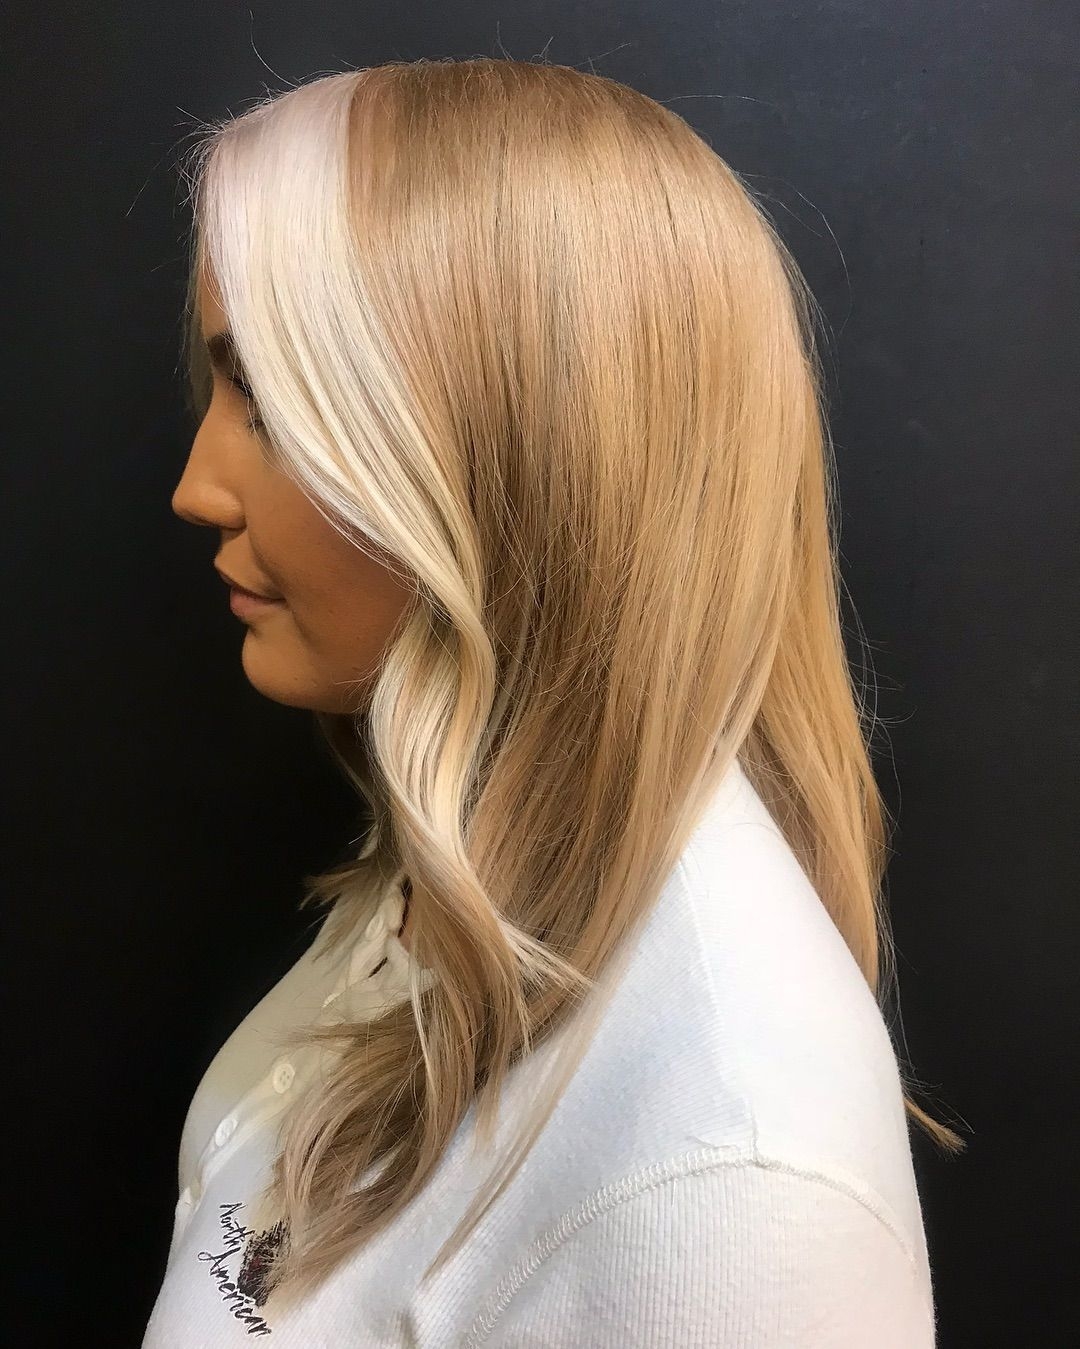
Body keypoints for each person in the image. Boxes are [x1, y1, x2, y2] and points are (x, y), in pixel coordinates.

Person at [147, 57, 962, 1347]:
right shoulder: (476, 876)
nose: (197, 488)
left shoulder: (724, 1171)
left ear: (515, 451)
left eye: (271, 396)